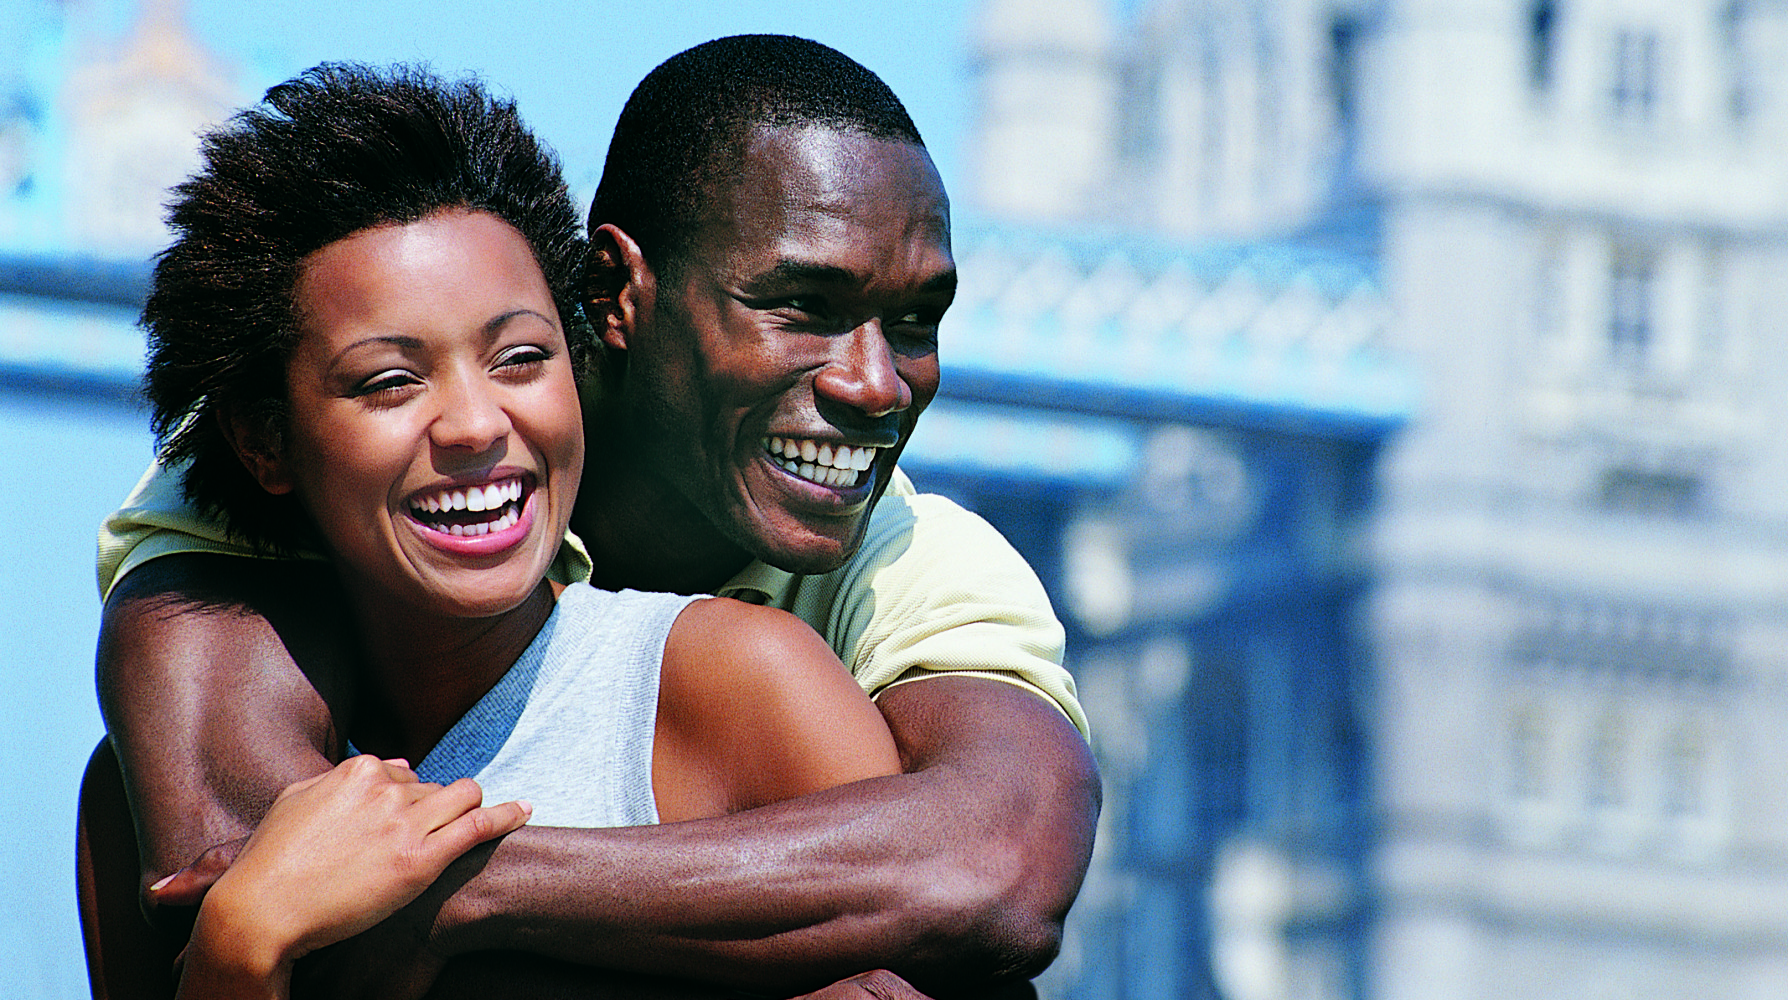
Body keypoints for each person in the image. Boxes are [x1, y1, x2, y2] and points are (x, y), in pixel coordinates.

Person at [95, 34, 1099, 999]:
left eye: (917, 323)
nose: (876, 384)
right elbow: (238, 882)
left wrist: (453, 889)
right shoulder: (282, 455)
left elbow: (996, 870)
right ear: (614, 292)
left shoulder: (873, 595)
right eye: (800, 306)